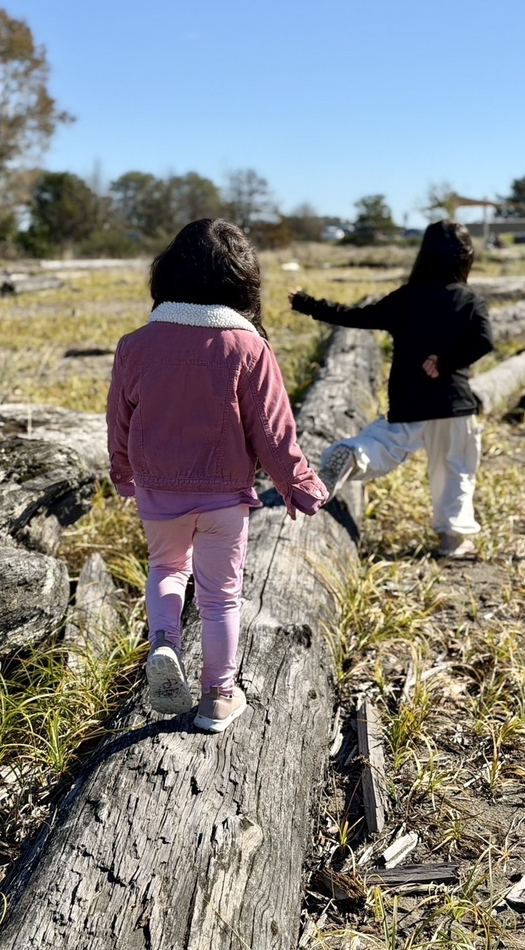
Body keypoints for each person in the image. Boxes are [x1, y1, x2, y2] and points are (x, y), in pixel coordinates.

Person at [107, 219, 327, 733]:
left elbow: (121, 418)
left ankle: (164, 644)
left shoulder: (135, 345)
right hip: (224, 494)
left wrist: (123, 471)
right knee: (221, 595)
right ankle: (218, 697)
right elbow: (274, 433)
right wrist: (298, 485)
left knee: (166, 568)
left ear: (168, 275)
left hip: (158, 489)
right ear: (241, 281)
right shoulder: (247, 348)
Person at [290, 219, 493, 558]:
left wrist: (309, 304)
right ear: (465, 258)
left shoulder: (406, 298)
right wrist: (445, 362)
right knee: (455, 468)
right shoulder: (470, 301)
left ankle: (354, 454)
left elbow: (357, 317)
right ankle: (452, 540)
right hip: (453, 402)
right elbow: (484, 341)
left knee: (384, 444)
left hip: (410, 396)